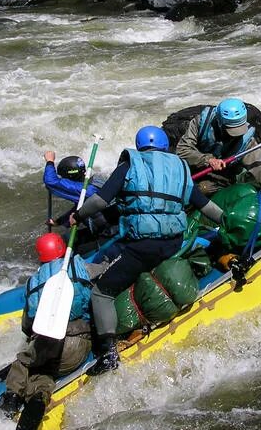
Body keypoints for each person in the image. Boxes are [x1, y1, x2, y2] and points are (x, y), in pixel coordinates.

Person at [69, 125, 224, 374]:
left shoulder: (129, 165)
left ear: (139, 146)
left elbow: (100, 201)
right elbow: (205, 205)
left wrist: (78, 215)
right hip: (173, 242)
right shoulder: (180, 167)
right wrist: (227, 222)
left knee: (102, 292)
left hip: (143, 247)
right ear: (164, 145)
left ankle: (108, 353)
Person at [0, 232, 94, 430]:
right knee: (45, 372)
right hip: (80, 344)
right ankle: (40, 395)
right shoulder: (79, 265)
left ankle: (13, 397)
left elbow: (28, 325)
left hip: (49, 345)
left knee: (29, 365)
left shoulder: (34, 282)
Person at [176, 98, 261, 196]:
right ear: (219, 122)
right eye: (231, 129)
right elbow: (182, 150)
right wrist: (208, 160)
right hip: (192, 169)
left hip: (220, 177)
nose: (236, 135)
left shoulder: (246, 140)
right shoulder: (201, 123)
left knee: (202, 189)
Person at [43, 151, 116, 253]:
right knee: (66, 238)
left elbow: (51, 182)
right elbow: (81, 208)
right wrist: (59, 222)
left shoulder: (85, 190)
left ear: (70, 177)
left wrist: (50, 161)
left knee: (74, 249)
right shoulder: (95, 180)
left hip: (109, 235)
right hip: (111, 228)